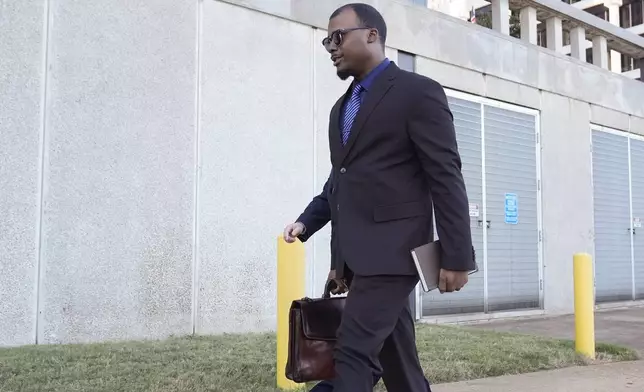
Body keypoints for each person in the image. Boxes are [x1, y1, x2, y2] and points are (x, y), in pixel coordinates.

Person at [284, 3, 475, 391]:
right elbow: (340, 181)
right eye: (327, 41)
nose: (331, 47)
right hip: (361, 259)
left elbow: (445, 176)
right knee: (397, 357)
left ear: (372, 35)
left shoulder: (417, 92)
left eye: (338, 37)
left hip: (397, 253)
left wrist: (457, 257)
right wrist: (309, 225)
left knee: (352, 352)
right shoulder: (342, 109)